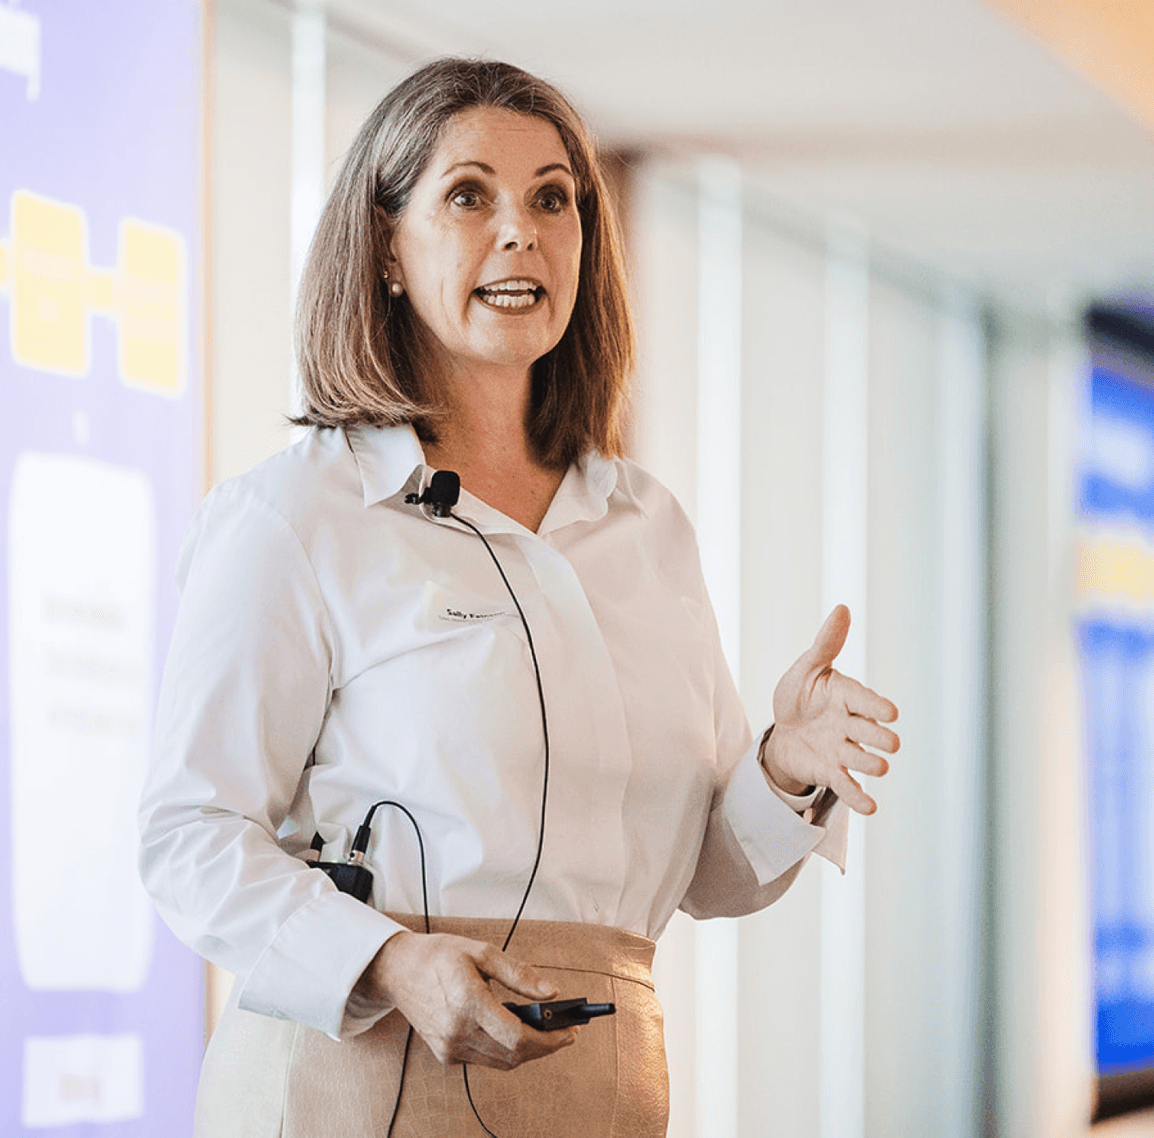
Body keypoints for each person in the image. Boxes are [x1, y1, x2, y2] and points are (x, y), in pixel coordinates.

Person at [139, 57, 900, 1138]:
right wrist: (393, 962)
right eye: (468, 196)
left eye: (554, 198)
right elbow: (189, 835)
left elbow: (707, 876)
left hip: (599, 1089)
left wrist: (783, 769)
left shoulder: (647, 527)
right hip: (358, 1081)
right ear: (388, 248)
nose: (522, 230)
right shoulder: (298, 516)